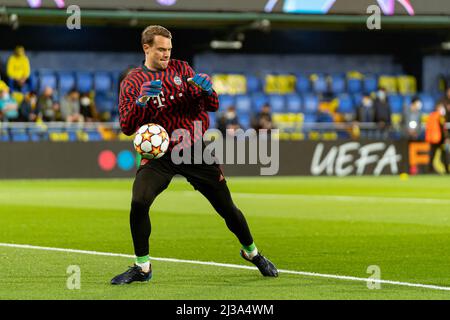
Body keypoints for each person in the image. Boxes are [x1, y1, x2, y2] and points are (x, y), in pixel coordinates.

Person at [111, 25, 278, 285]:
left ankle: (253, 253)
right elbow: (126, 126)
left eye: (169, 49)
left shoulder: (182, 69)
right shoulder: (133, 82)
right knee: (139, 201)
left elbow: (212, 105)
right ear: (147, 48)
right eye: (161, 50)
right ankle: (142, 267)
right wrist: (140, 103)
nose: (166, 54)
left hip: (194, 148)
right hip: (160, 154)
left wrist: (208, 90)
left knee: (227, 208)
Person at [425, 103, 449, 174]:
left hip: (437, 139)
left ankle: (430, 170)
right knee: (435, 155)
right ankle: (430, 170)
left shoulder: (432, 116)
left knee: (439, 154)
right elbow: (443, 128)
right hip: (437, 139)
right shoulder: (438, 116)